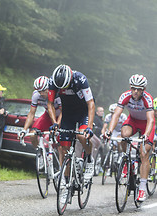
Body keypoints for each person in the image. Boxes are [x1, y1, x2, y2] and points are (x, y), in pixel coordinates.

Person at [105, 74, 155, 202]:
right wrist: (109, 131)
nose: (136, 91)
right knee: (123, 136)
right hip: (132, 121)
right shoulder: (125, 96)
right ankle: (126, 160)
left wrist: (146, 134)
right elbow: (116, 115)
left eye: (139, 89)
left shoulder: (147, 99)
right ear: (130, 87)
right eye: (133, 88)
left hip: (146, 125)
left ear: (143, 89)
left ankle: (142, 188)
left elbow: (150, 119)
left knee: (144, 153)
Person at [47, 64, 95, 182]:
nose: (64, 89)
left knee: (81, 135)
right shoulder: (53, 81)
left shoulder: (81, 79)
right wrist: (54, 123)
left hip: (83, 111)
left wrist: (89, 127)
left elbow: (91, 103)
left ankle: (89, 159)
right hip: (68, 113)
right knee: (64, 150)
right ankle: (66, 182)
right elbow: (50, 104)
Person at [18, 76, 62, 152]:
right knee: (33, 134)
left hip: (61, 117)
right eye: (39, 91)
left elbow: (63, 112)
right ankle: (40, 153)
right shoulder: (36, 95)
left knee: (60, 144)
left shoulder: (57, 94)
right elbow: (32, 113)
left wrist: (57, 124)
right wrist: (24, 130)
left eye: (44, 91)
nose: (41, 93)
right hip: (48, 115)